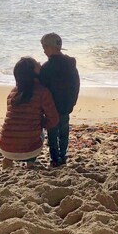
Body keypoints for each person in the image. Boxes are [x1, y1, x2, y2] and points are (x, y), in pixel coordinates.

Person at [0, 57, 59, 169]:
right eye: (37, 64)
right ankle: (30, 162)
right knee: (37, 131)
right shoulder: (42, 92)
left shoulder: (12, 93)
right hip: (30, 150)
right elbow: (53, 120)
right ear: (34, 72)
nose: (40, 64)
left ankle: (8, 159)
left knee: (17, 125)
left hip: (5, 147)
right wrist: (41, 123)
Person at [38, 33, 80, 167]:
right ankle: (63, 155)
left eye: (44, 47)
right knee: (63, 131)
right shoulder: (70, 64)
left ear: (51, 47)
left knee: (52, 132)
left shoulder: (46, 68)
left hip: (51, 105)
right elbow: (76, 84)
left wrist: (42, 106)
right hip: (66, 104)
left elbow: (41, 87)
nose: (44, 51)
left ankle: (54, 158)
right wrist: (73, 101)